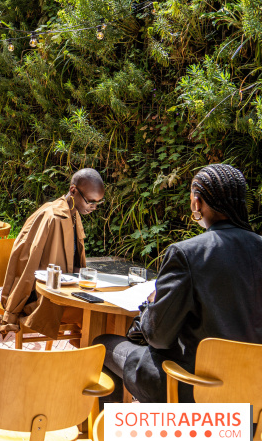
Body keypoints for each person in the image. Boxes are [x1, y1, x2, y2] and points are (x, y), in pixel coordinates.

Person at [94, 163, 262, 405]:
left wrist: (150, 306)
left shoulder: (187, 254)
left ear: (197, 202)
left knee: (103, 346)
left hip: (191, 388)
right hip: (252, 392)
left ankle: (115, 440)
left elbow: (159, 336)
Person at [0, 168, 105, 339]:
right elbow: (27, 265)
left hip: (63, 292)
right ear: (73, 190)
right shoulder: (53, 216)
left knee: (101, 312)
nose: (93, 207)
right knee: (100, 317)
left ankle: (84, 358)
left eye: (97, 203)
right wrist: (11, 312)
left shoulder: (72, 213)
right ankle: (87, 361)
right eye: (90, 201)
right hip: (44, 300)